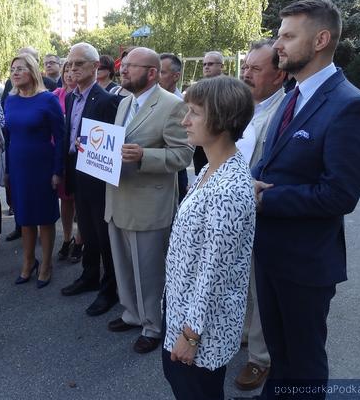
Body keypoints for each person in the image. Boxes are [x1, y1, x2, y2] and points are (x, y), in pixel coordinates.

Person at [252, 0, 360, 398]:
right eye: (278, 35)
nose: (277, 45)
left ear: (321, 39)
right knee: (280, 357)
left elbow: (339, 194)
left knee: (303, 365)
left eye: (287, 36)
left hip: (305, 265)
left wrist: (265, 200)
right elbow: (270, 166)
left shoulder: (349, 105)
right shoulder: (292, 94)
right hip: (270, 253)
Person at [162, 76, 255, 400]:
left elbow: (212, 273)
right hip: (182, 311)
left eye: (195, 113)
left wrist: (190, 336)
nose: (185, 121)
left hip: (202, 330)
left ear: (223, 118)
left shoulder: (228, 190)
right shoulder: (210, 169)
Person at [105, 47, 193, 354]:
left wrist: (145, 156)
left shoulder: (172, 105)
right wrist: (92, 147)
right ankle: (131, 313)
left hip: (149, 204)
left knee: (149, 270)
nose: (123, 70)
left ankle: (153, 325)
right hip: (118, 198)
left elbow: (184, 155)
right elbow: (117, 141)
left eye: (130, 66)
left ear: (152, 73)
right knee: (124, 265)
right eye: (123, 65)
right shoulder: (125, 100)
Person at [234, 39, 286, 392]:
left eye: (255, 68)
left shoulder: (285, 111)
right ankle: (242, 333)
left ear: (279, 75)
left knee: (261, 284)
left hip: (264, 213)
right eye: (245, 67)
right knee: (242, 279)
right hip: (236, 210)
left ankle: (260, 359)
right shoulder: (242, 107)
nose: (246, 73)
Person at [59, 43, 120, 317]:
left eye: (78, 64)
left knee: (102, 233)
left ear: (96, 67)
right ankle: (89, 275)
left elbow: (110, 144)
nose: (72, 69)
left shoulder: (107, 100)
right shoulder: (72, 97)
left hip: (97, 173)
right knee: (84, 227)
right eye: (69, 64)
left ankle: (109, 289)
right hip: (75, 168)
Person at [4, 53, 64, 288]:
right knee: (25, 217)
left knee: (45, 218)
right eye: (12, 69)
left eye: (20, 68)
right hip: (18, 166)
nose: (15, 73)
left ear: (32, 71)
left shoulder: (47, 100)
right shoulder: (10, 100)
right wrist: (7, 170)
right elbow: (8, 138)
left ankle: (46, 264)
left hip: (43, 166)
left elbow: (60, 137)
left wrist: (58, 171)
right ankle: (28, 262)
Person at [53, 61, 83, 263]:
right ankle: (66, 238)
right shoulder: (56, 95)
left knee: (81, 202)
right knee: (65, 200)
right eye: (66, 70)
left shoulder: (85, 97)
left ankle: (80, 240)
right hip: (62, 154)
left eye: (73, 70)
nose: (69, 74)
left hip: (82, 156)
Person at [160, 53, 188, 203]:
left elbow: (183, 151)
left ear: (176, 76)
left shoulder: (182, 104)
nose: (156, 76)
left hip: (176, 174)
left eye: (162, 72)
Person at [192, 51, 224, 176]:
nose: (206, 67)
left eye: (210, 64)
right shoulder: (198, 87)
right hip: (201, 142)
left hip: (219, 139)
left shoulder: (229, 87)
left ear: (221, 66)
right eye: (204, 64)